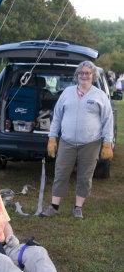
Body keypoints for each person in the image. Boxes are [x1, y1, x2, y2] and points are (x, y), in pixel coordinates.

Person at [41, 61, 114, 219]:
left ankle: (77, 208)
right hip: (67, 141)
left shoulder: (99, 95)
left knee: (85, 176)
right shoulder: (67, 92)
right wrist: (52, 138)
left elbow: (108, 120)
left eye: (87, 73)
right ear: (77, 76)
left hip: (91, 143)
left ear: (93, 76)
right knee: (61, 173)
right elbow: (57, 117)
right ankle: (54, 206)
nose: (84, 76)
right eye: (81, 73)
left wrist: (107, 143)